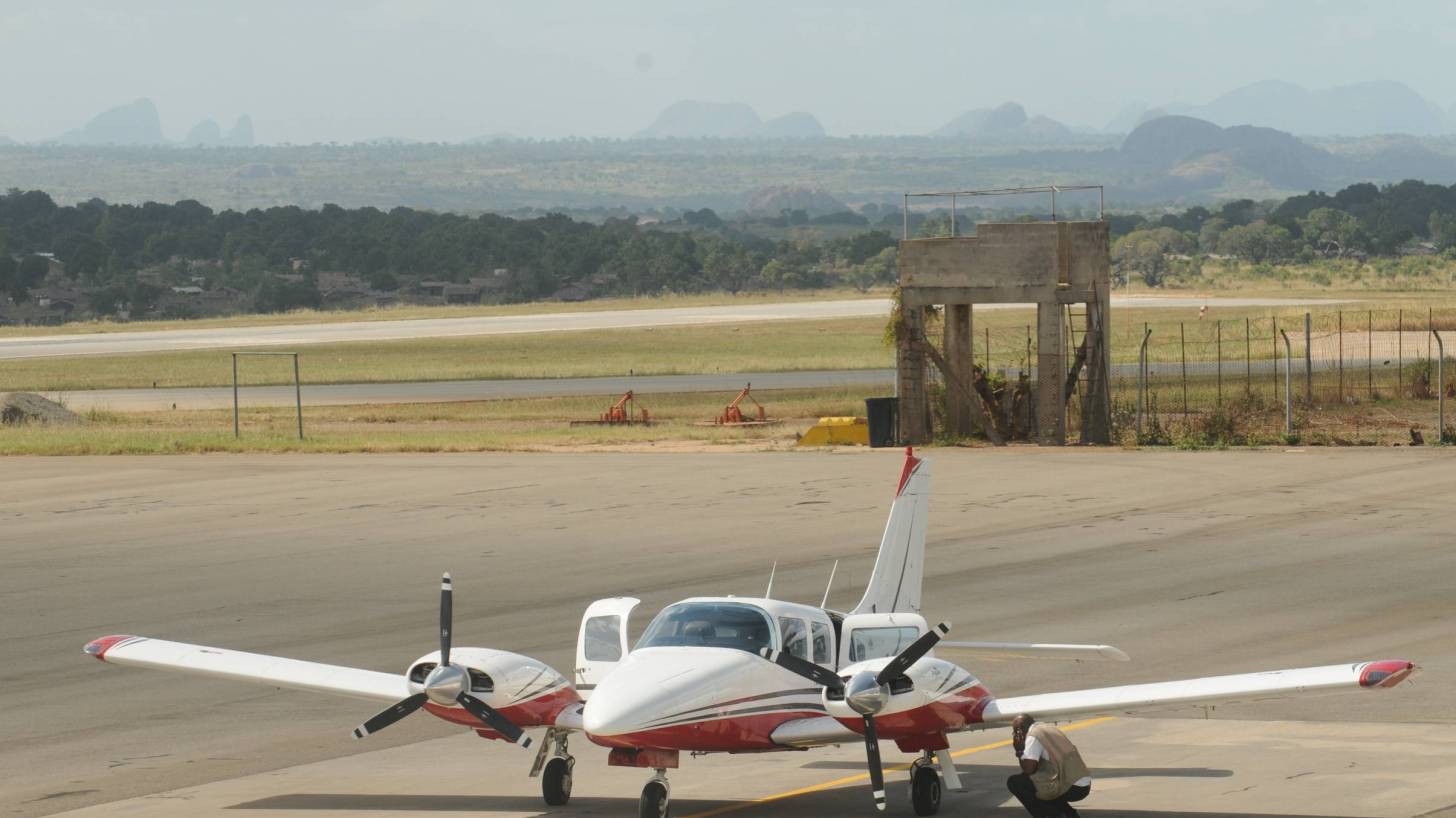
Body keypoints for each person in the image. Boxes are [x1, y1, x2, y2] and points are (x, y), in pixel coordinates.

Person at [1006, 714, 1092, 817]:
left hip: (1070, 787)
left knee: (1017, 783)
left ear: (1020, 730)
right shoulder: (1050, 728)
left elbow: (1029, 769)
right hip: (1082, 784)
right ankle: (1069, 814)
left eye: (1015, 732)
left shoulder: (1033, 736)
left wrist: (1019, 749)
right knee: (1041, 782)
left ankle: (1050, 815)